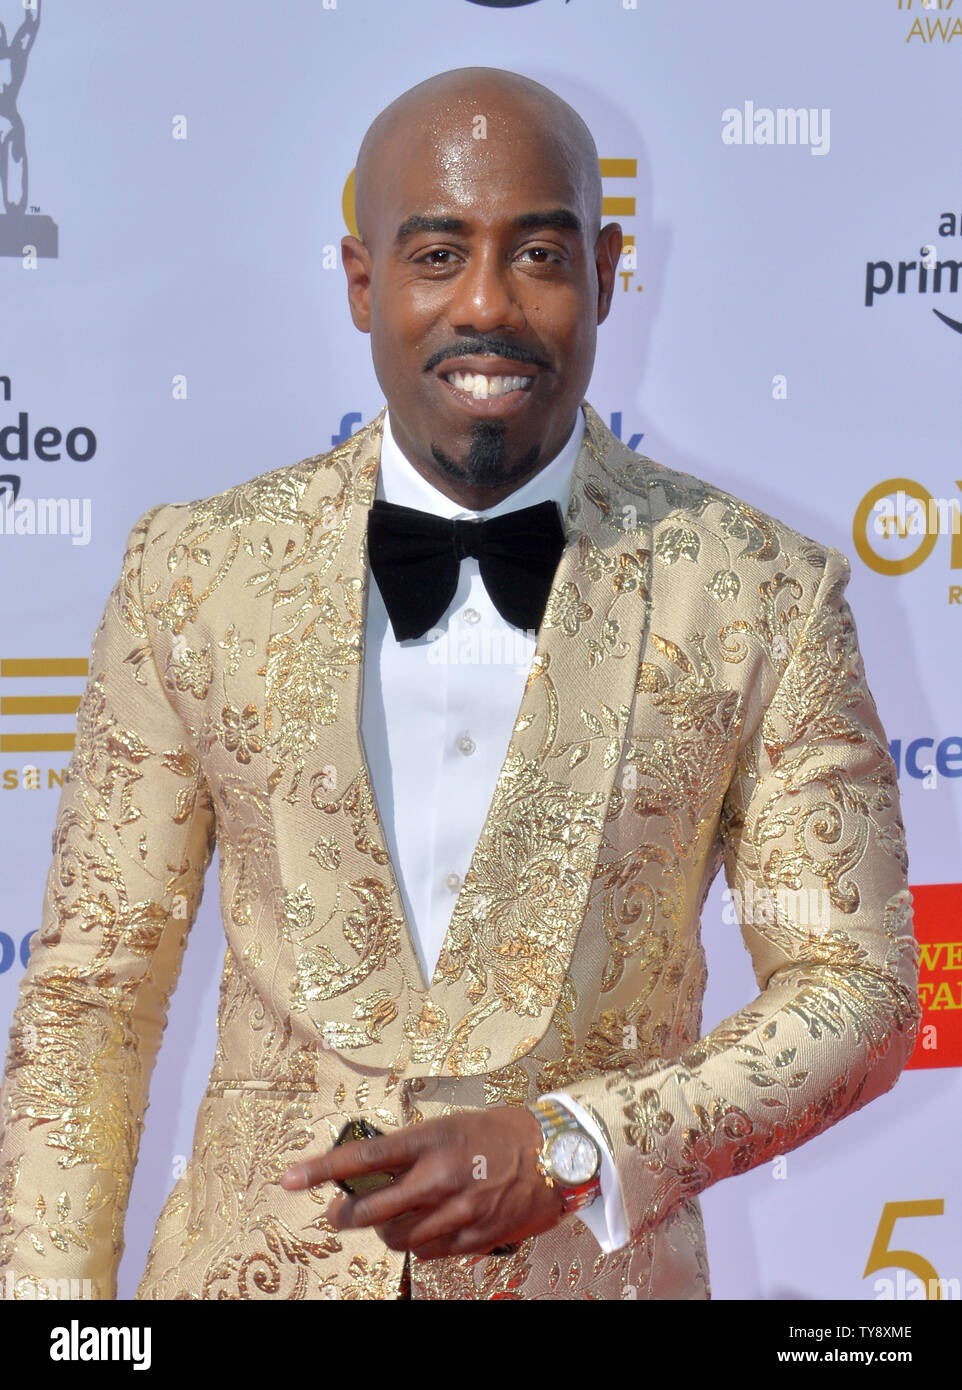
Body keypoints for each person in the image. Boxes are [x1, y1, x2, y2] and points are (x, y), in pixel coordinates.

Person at [0, 66, 920, 1302]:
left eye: (536, 253)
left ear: (605, 272)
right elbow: (90, 999)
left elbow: (853, 988)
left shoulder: (758, 591)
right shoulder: (193, 573)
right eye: (436, 254)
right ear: (362, 281)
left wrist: (577, 1146)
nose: (486, 304)